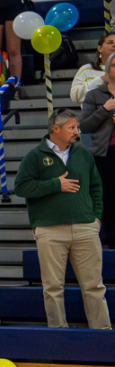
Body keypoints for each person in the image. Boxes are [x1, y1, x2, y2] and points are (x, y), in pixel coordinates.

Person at [13, 110, 110, 331]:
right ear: (55, 129)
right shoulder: (35, 156)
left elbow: (96, 187)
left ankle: (102, 333)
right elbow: (21, 187)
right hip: (50, 230)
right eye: (72, 127)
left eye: (77, 127)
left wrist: (95, 218)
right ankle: (58, 335)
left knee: (94, 286)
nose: (77, 131)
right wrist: (55, 184)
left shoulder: (83, 154)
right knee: (53, 288)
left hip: (86, 228)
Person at [80, 55, 115, 247]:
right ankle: (109, 239)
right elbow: (84, 126)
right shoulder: (94, 95)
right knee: (107, 197)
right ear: (108, 70)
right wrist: (105, 109)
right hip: (105, 153)